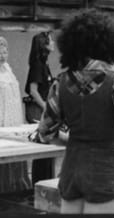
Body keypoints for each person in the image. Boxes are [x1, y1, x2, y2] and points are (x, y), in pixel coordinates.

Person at [36, 9, 114, 214]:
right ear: (109, 43)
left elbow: (45, 133)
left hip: (71, 169)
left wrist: (74, 141)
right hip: (107, 169)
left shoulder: (60, 82)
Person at [0, 36, 31, 193]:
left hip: (13, 117)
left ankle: (16, 184)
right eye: (0, 51)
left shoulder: (8, 69)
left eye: (5, 51)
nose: (3, 54)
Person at [24, 31, 55, 184]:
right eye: (51, 40)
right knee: (42, 150)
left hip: (45, 111)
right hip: (38, 112)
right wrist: (46, 107)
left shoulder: (45, 64)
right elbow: (33, 90)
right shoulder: (37, 65)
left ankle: (45, 181)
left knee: (47, 151)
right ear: (44, 44)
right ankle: (39, 183)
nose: (53, 43)